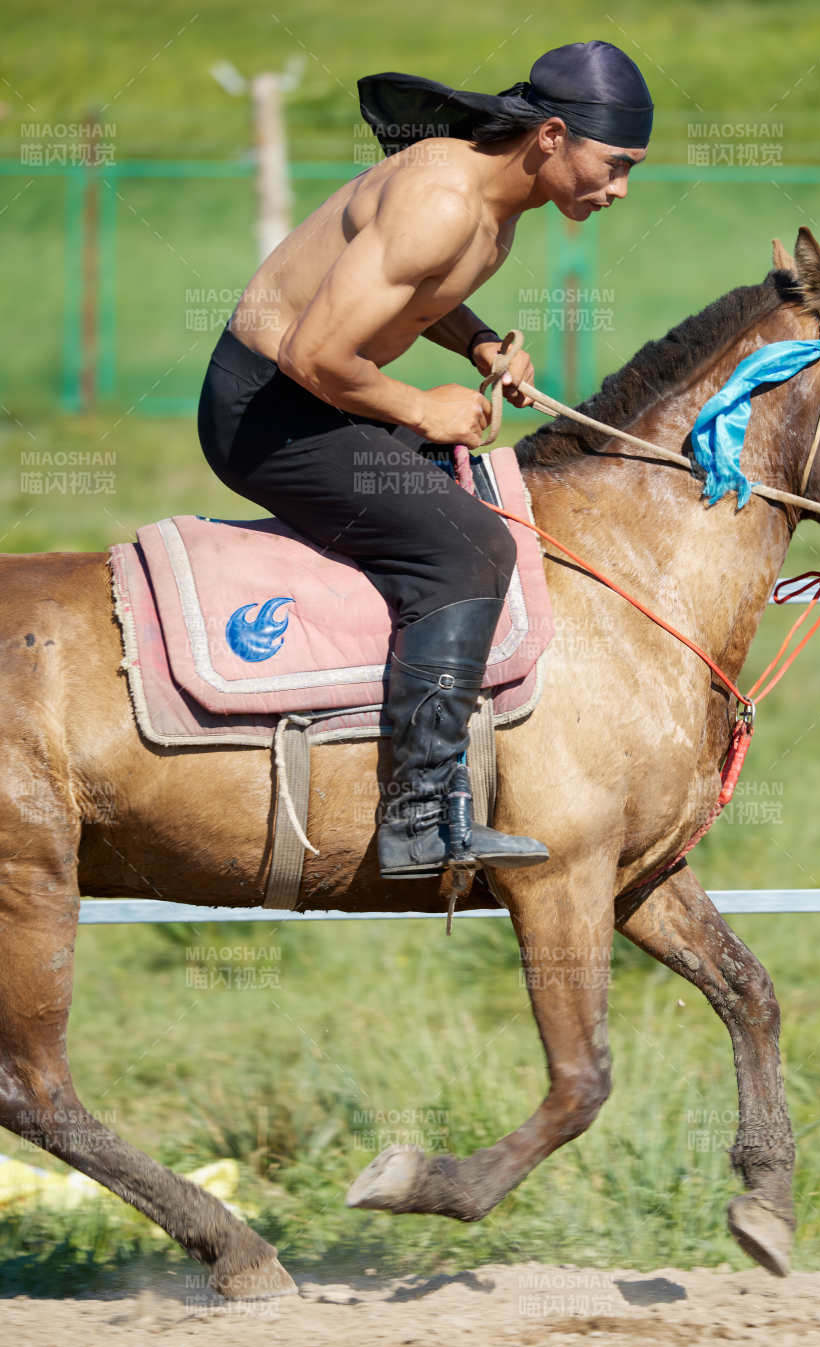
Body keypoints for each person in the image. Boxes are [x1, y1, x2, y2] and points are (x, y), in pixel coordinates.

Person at [196, 40, 654, 879]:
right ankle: (414, 818)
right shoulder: (441, 199)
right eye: (614, 164)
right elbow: (311, 355)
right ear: (551, 136)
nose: (619, 189)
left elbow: (417, 290)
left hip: (310, 399)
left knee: (471, 491)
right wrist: (420, 406)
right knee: (470, 547)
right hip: (268, 412)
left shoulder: (488, 196)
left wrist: (478, 342)